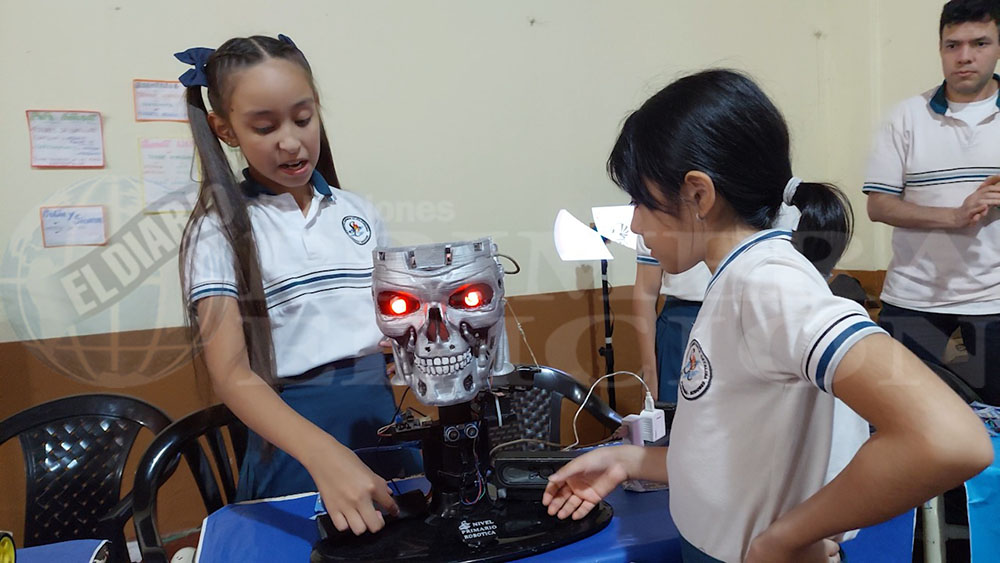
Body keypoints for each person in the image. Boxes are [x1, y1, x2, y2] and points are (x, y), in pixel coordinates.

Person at [542, 69, 993, 563]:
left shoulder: (768, 284)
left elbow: (947, 439)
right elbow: (732, 457)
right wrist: (630, 459)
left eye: (641, 201)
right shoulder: (736, 279)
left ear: (698, 195)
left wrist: (786, 538)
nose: (634, 222)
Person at [176, 35, 400, 535]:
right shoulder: (219, 230)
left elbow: (391, 321)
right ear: (224, 130)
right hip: (294, 447)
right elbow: (231, 374)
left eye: (303, 118)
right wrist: (324, 456)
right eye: (265, 126)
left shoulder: (358, 212)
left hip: (382, 426)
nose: (291, 142)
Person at [864, 0, 1000, 405]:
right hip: (913, 299)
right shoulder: (905, 117)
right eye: (952, 45)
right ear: (940, 48)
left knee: (995, 417)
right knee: (905, 414)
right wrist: (955, 215)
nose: (965, 56)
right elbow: (879, 206)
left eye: (979, 43)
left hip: (994, 300)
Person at [632, 243, 708, 403]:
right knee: (673, 408)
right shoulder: (652, 227)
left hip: (734, 316)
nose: (635, 229)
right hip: (677, 326)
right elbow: (646, 292)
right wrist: (649, 372)